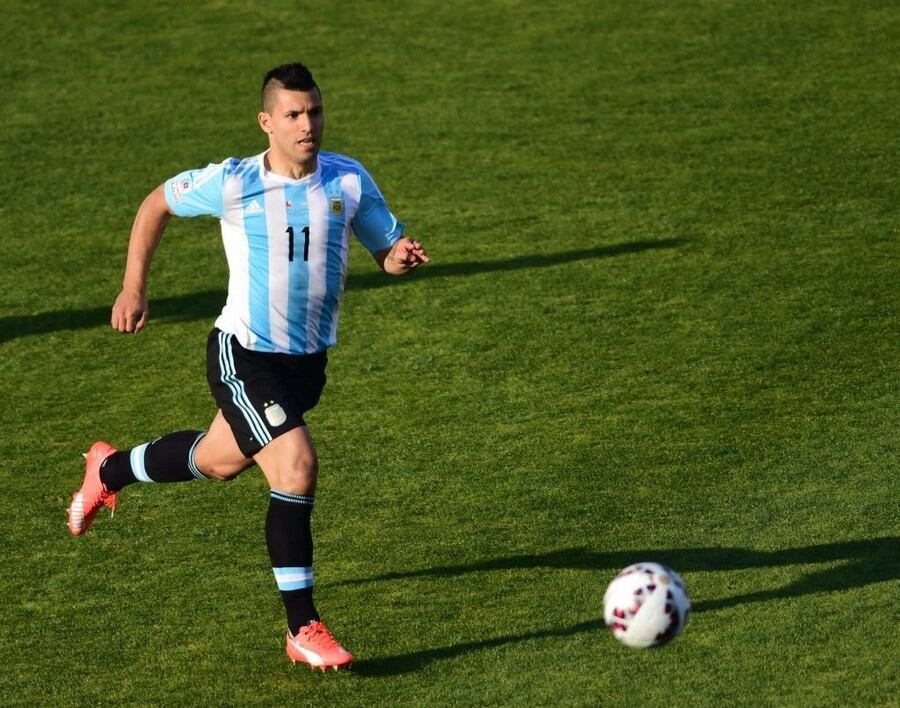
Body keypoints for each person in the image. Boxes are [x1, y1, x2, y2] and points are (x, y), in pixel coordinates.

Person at [66, 62, 429, 671]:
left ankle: (111, 468)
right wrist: (134, 287)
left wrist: (399, 258)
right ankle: (302, 627)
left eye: (313, 111)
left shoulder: (348, 180)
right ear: (267, 122)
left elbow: (383, 252)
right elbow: (155, 204)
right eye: (292, 114)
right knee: (296, 465)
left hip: (307, 367)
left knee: (217, 460)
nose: (306, 124)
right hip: (244, 353)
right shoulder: (234, 182)